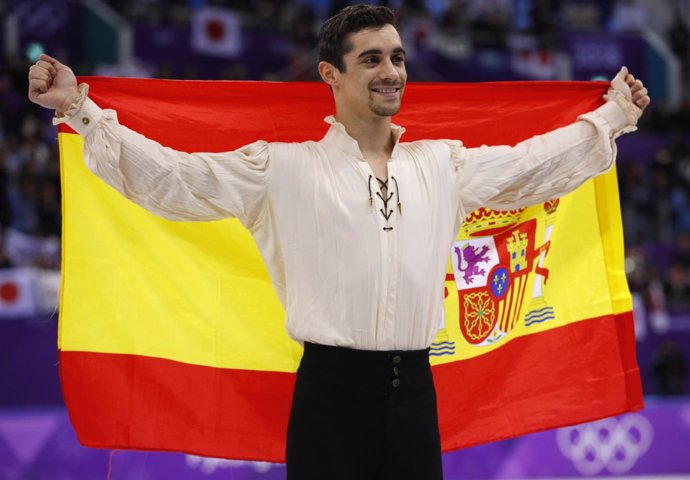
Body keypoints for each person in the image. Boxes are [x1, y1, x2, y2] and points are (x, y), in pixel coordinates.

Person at [28, 4, 650, 480]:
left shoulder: (443, 165)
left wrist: (613, 116)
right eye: (372, 59)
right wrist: (81, 111)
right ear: (330, 73)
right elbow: (172, 178)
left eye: (398, 57)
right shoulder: (280, 168)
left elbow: (531, 164)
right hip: (329, 394)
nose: (391, 71)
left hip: (416, 397)